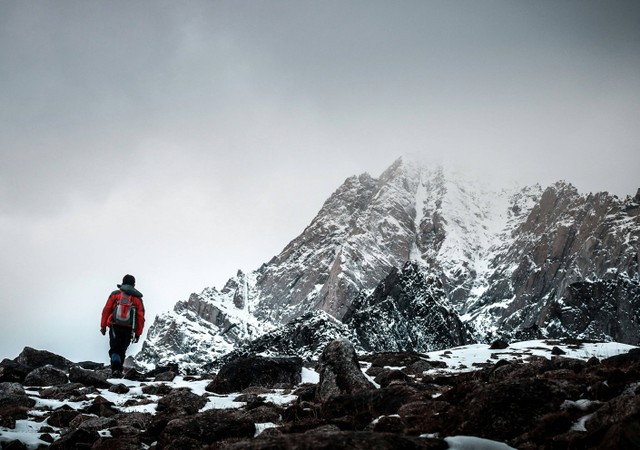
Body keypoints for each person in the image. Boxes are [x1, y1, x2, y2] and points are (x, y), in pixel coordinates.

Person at [100, 274, 145, 377]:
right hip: (128, 328)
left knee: (114, 348)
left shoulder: (115, 294)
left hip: (114, 325)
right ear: (134, 284)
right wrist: (138, 333)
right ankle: (118, 370)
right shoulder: (137, 299)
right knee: (122, 350)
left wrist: (103, 326)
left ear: (123, 282)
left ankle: (115, 369)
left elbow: (106, 310)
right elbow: (141, 317)